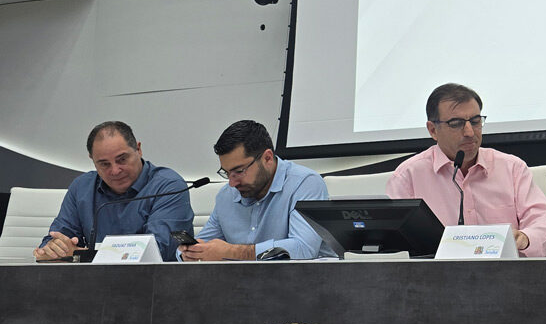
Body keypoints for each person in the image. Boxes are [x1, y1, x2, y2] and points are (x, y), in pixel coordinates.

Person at [385, 83, 546, 257]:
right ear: (433, 130)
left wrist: (525, 238)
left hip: (505, 272)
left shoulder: (512, 168)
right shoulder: (408, 177)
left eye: (475, 121)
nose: (469, 132)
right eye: (456, 124)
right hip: (436, 274)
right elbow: (393, 246)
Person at [35, 121, 193, 261]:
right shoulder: (82, 187)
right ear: (92, 160)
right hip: (90, 281)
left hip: (155, 281)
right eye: (104, 164)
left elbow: (157, 251)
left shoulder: (168, 186)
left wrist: (79, 254)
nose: (115, 171)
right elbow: (55, 239)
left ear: (138, 149)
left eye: (122, 159)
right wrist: (53, 249)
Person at [180, 120, 335, 261]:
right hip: (243, 281)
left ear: (267, 158)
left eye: (239, 171)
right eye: (226, 173)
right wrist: (191, 253)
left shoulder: (305, 183)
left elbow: (303, 248)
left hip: (306, 279)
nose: (232, 183)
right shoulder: (226, 196)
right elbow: (199, 244)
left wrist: (233, 252)